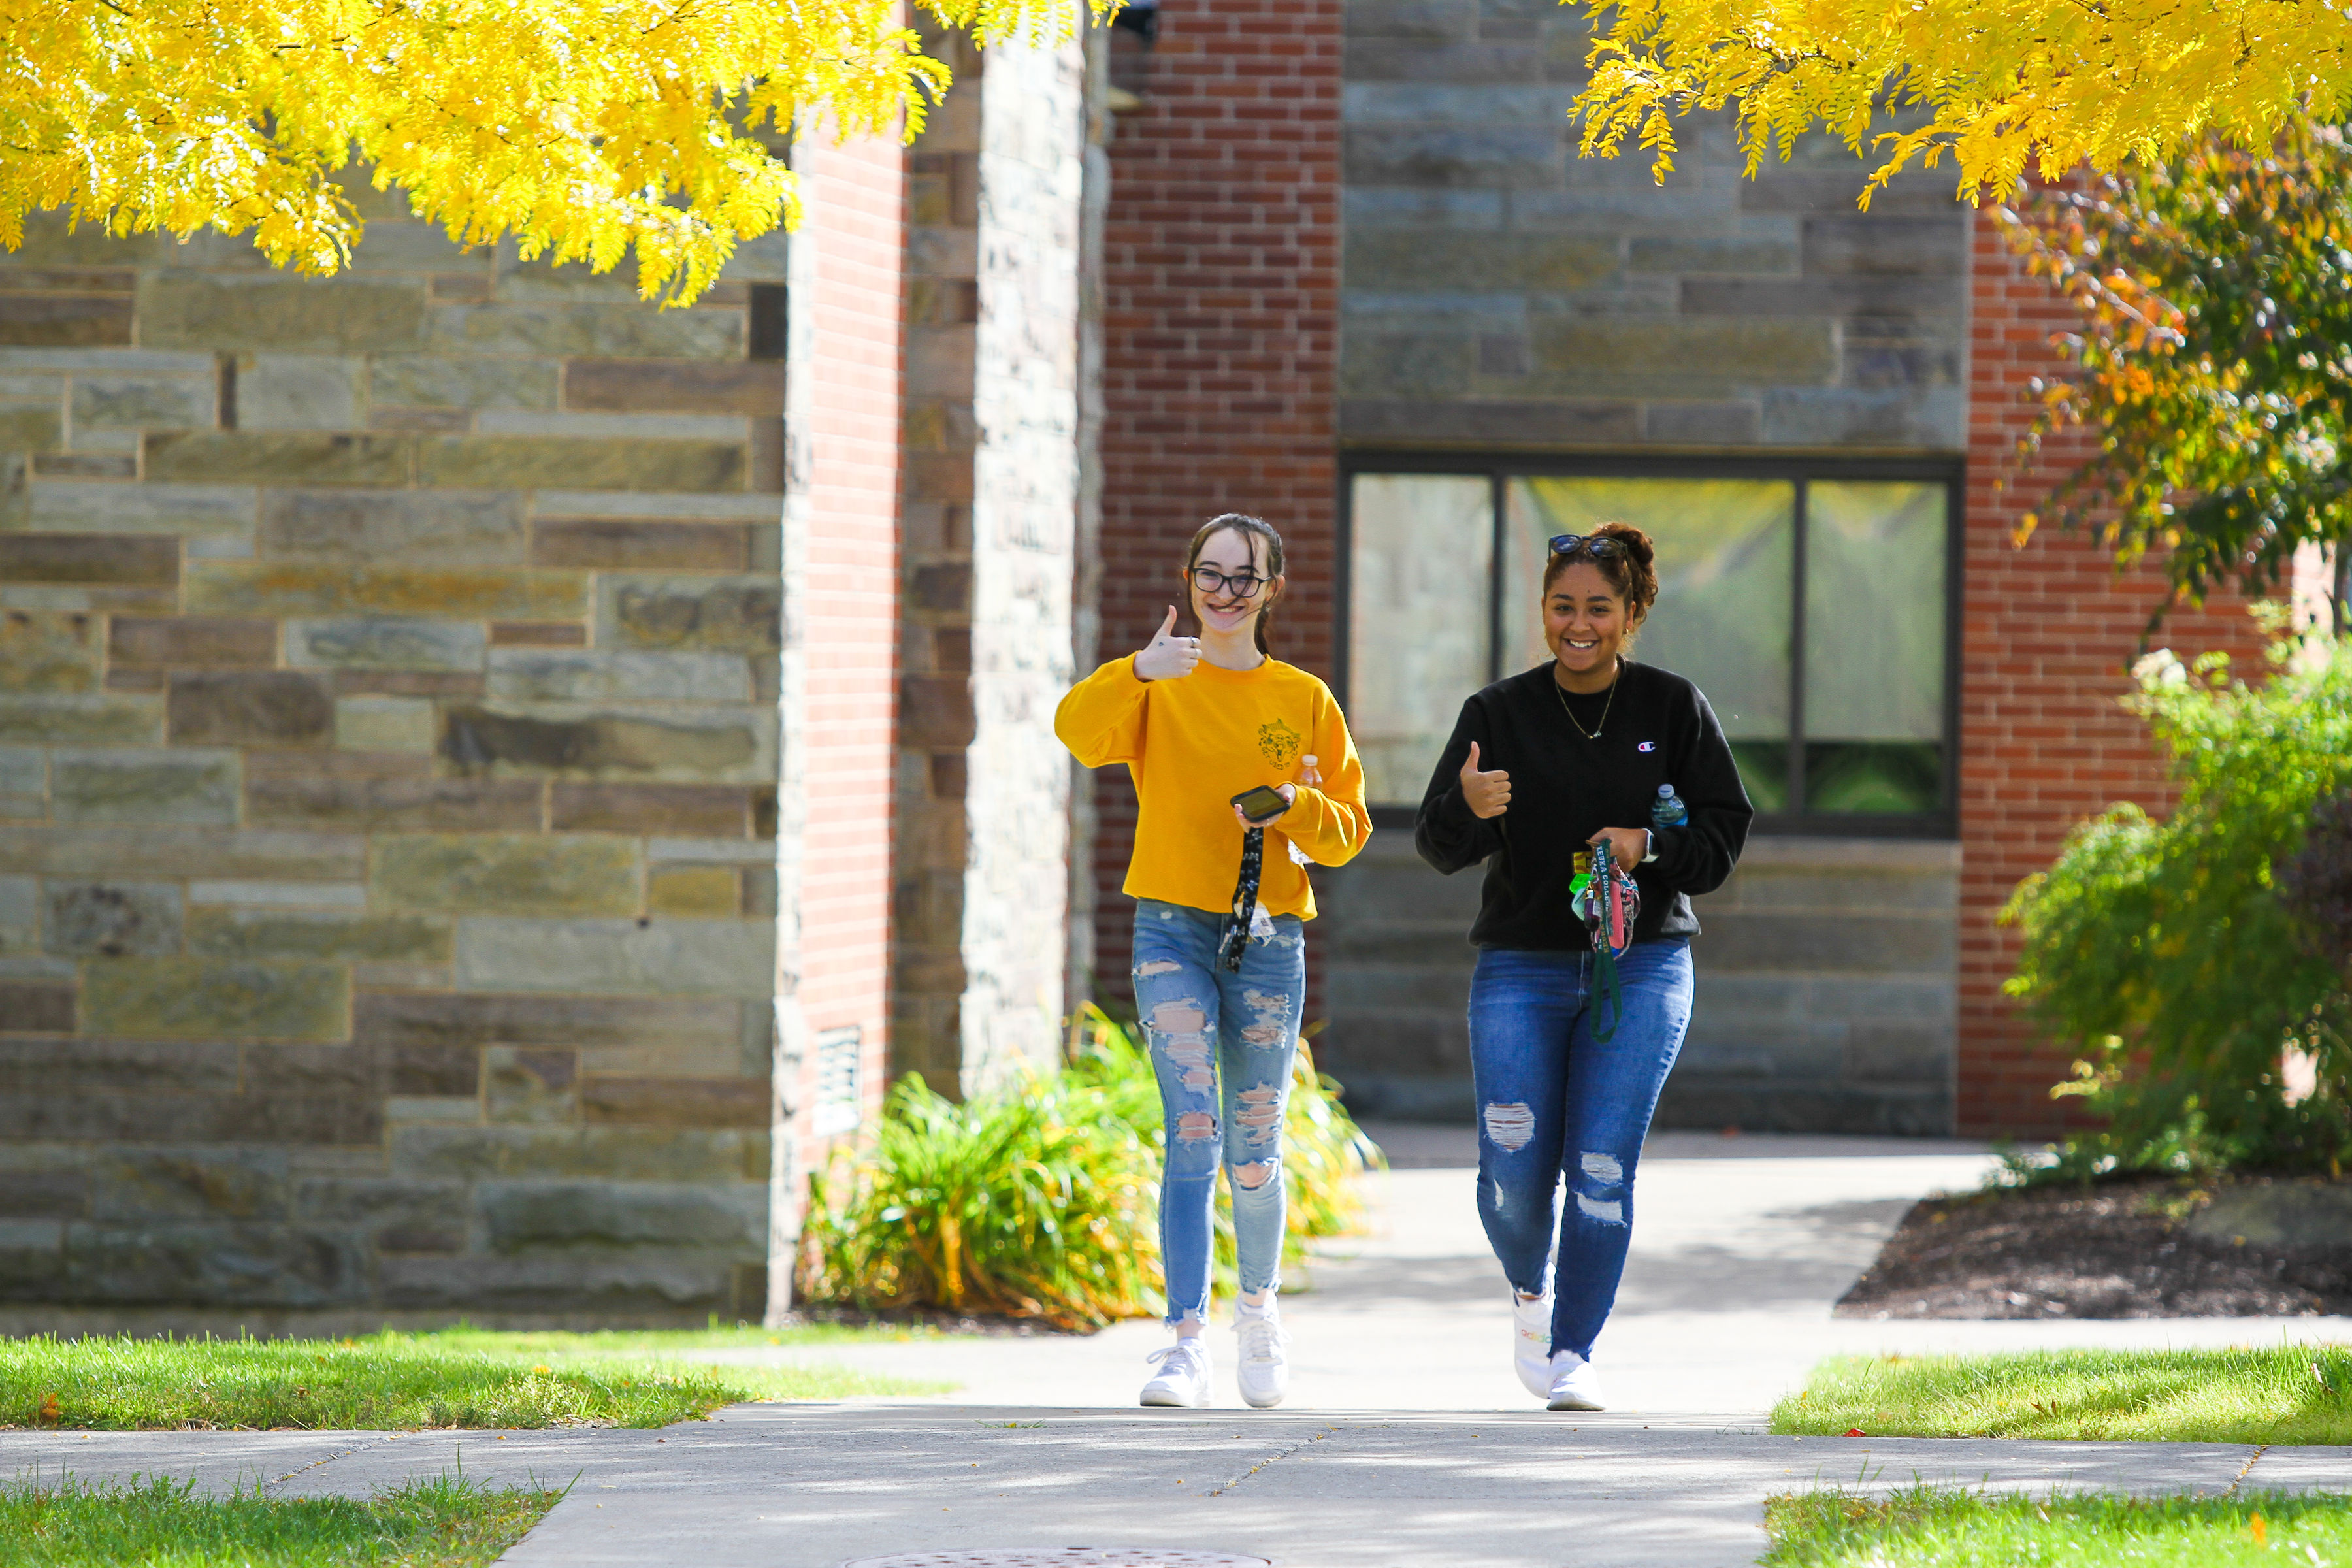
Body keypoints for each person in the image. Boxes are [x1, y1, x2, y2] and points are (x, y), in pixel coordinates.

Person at [1414, 522, 1750, 1411]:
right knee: (1513, 1169)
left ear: (1630, 612)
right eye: (1563, 606)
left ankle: (1574, 1351)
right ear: (1544, 612)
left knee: (1601, 1166)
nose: (1579, 624)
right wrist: (1469, 803)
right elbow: (1436, 844)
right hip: (1521, 967)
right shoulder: (1498, 714)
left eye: (1598, 608)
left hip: (1639, 969)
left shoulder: (1674, 708)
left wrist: (1649, 845)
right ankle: (1530, 1289)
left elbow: (1721, 839)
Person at [1056, 513, 1371, 1410]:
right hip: (1170, 931)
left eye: (1244, 578)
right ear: (1189, 579)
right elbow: (1075, 731)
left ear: (1273, 589)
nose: (1224, 593)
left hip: (1268, 939)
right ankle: (1182, 1342)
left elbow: (1350, 830)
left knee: (1254, 1145)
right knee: (1191, 1129)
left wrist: (1295, 808)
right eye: (1210, 574)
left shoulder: (1304, 697)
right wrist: (1134, 670)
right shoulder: (1159, 682)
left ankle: (1261, 1314)